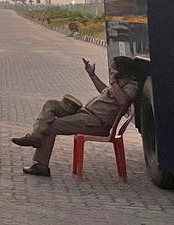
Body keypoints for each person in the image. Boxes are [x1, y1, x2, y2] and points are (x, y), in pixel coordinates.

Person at [12, 56, 140, 177]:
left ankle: (41, 165)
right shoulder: (118, 83)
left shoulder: (130, 85)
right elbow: (104, 91)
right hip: (85, 114)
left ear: (121, 71)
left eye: (113, 68)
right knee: (50, 105)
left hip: (94, 123)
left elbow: (123, 102)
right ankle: (35, 136)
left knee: (51, 126)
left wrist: (113, 82)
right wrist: (92, 74)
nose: (110, 70)